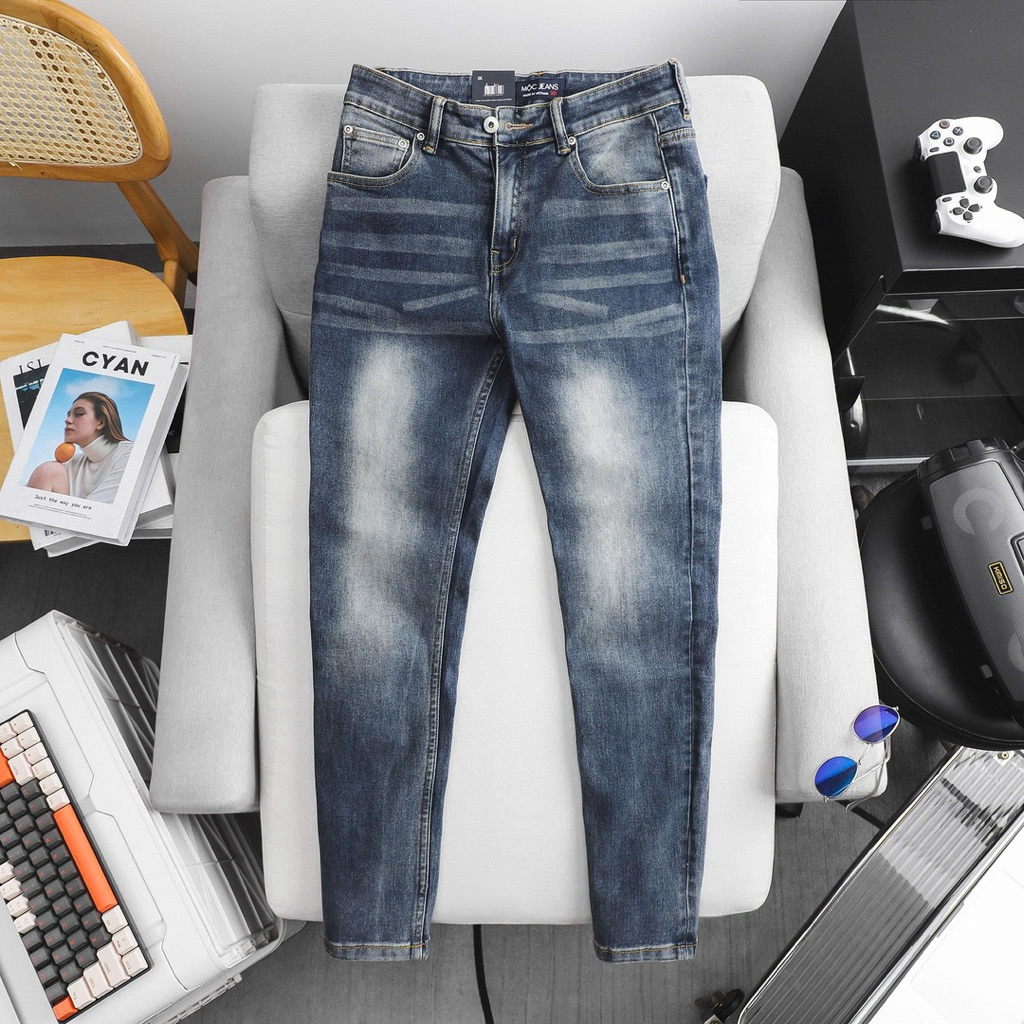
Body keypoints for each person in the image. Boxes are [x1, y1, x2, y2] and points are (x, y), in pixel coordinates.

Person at [27, 392, 133, 504]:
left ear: (101, 423)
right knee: (48, 470)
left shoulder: (130, 454)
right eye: (68, 415)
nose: (67, 420)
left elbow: (96, 510)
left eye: (79, 414)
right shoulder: (69, 464)